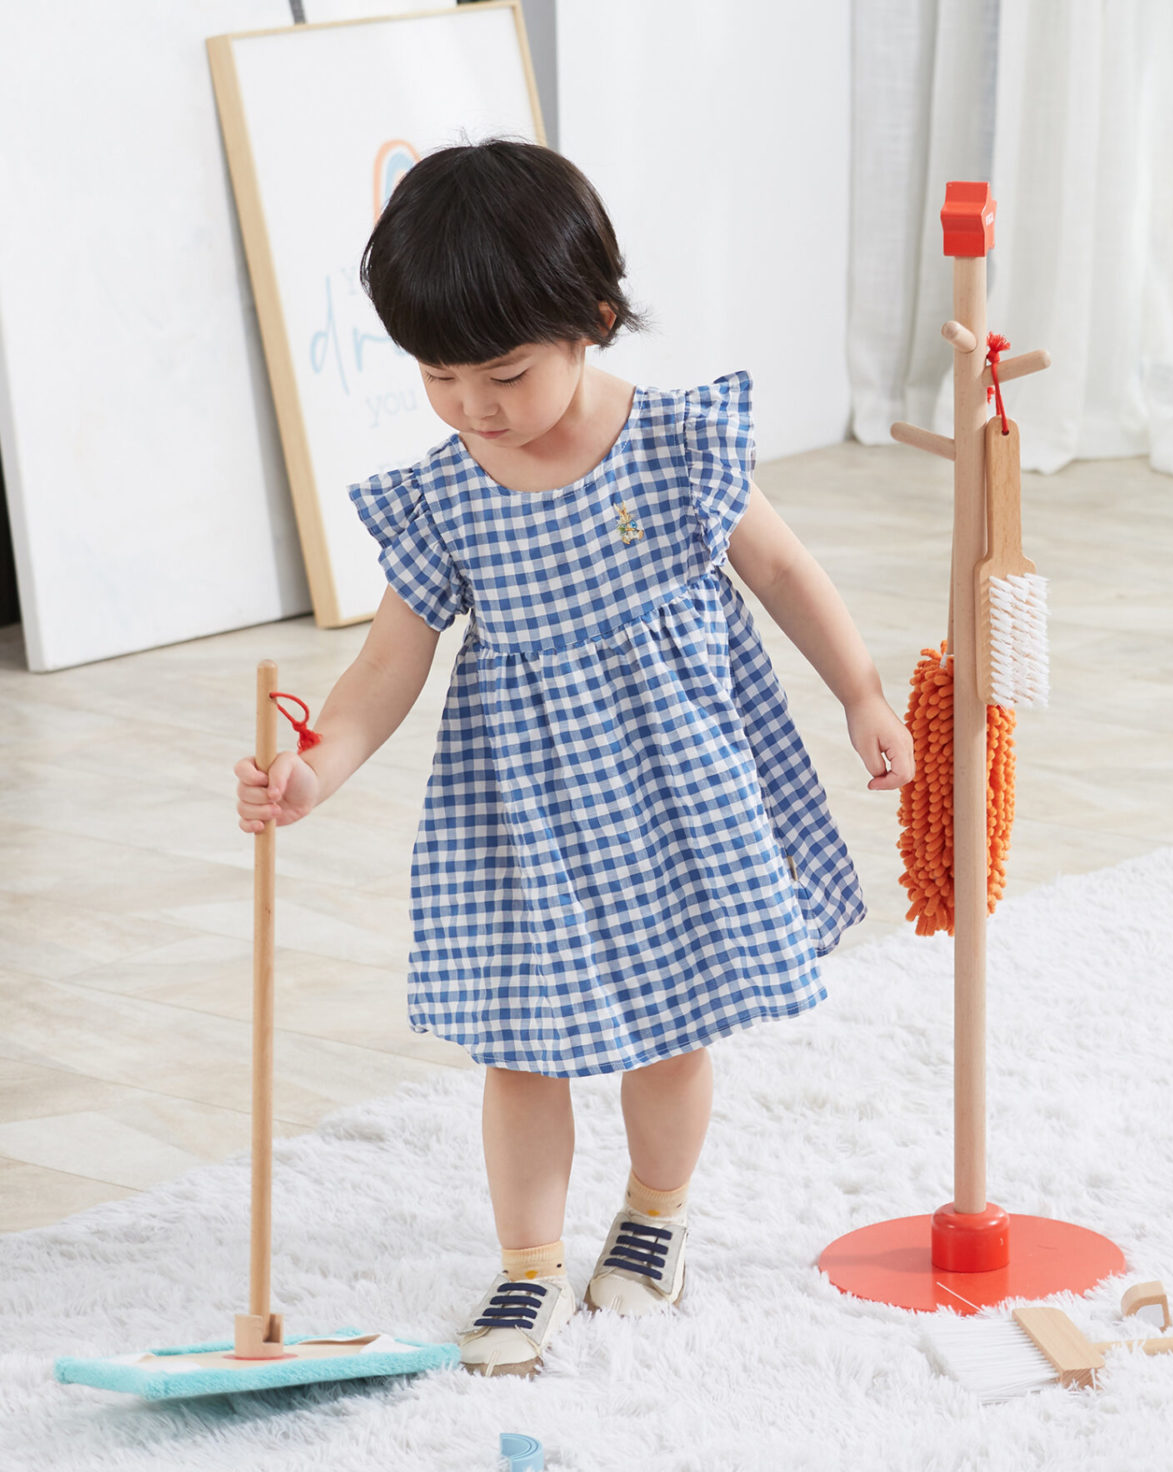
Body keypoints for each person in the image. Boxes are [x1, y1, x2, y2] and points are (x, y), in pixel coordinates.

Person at [232, 139, 914, 1378]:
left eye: (503, 373)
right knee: (520, 1040)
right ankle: (526, 1264)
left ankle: (654, 1216)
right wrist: (314, 769)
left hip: (673, 791)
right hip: (521, 809)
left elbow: (782, 572)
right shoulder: (446, 497)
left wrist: (862, 692)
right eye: (438, 378)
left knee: (670, 1024)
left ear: (593, 322)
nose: (474, 408)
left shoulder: (675, 445)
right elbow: (391, 664)